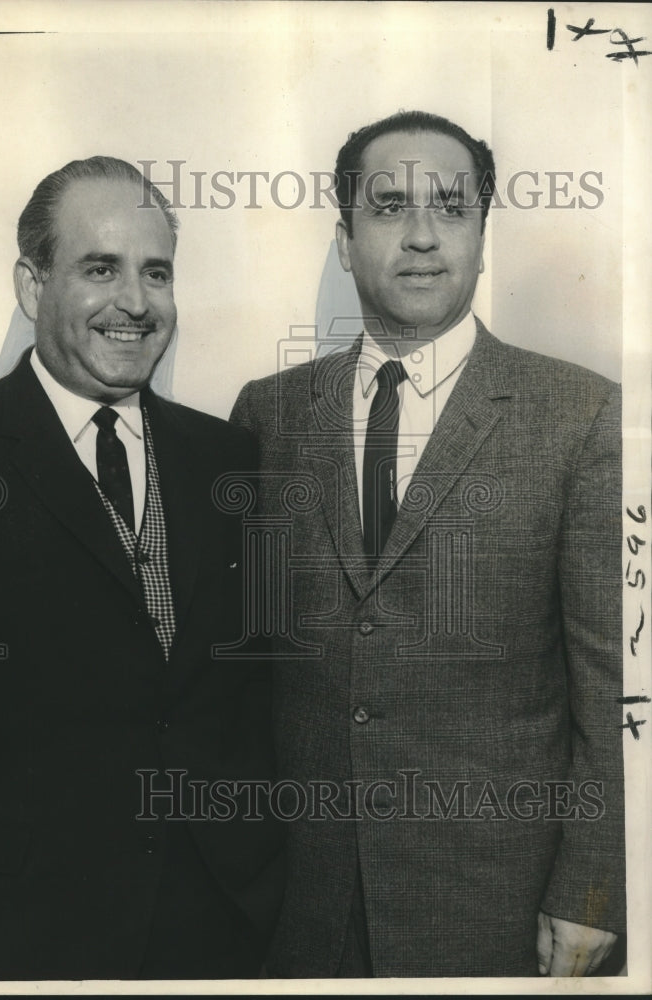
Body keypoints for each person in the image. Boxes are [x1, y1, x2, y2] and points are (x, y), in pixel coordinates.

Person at [230, 111, 625, 978]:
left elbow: (612, 685)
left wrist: (594, 889)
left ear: (483, 236)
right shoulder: (268, 413)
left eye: (450, 207)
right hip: (304, 909)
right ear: (345, 240)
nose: (420, 236)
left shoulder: (581, 416)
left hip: (497, 907)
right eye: (388, 207)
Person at [0, 156, 283, 981]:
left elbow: (252, 700)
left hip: (224, 930)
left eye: (156, 272)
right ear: (32, 287)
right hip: (24, 937)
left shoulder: (228, 457)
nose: (135, 301)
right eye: (100, 269)